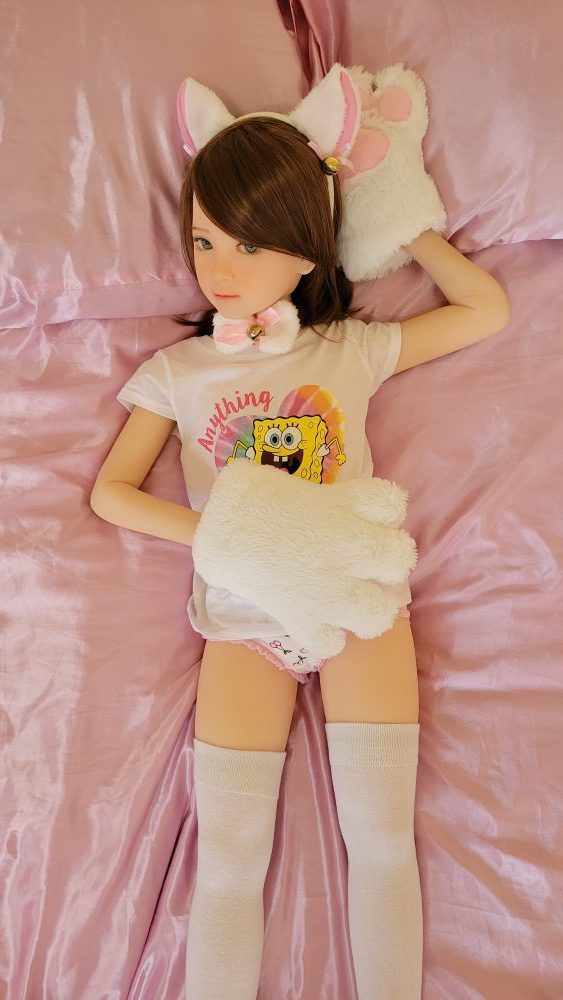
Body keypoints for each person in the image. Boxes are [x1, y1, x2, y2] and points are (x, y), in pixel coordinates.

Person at [90, 65, 509, 1000]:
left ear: (307, 248)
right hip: (245, 613)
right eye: (204, 239)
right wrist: (223, 538)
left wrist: (396, 216)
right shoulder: (177, 371)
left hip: (355, 601)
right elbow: (112, 494)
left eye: (247, 243)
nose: (219, 268)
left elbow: (486, 309)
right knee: (230, 855)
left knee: (381, 838)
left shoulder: (347, 348)